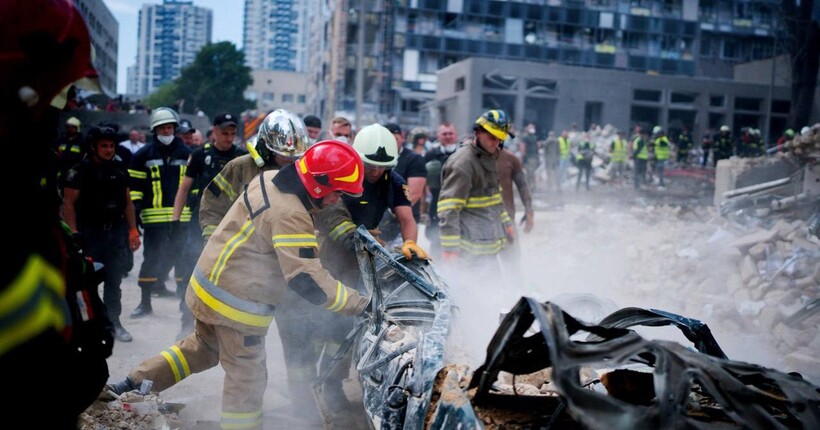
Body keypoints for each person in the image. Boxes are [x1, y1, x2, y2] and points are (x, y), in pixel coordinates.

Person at [106, 141, 370, 430]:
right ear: (319, 185)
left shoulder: (268, 179)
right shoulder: (291, 214)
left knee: (200, 348)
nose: (336, 200)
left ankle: (131, 384)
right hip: (236, 306)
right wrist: (360, 305)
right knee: (248, 380)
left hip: (208, 287)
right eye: (337, 193)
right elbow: (307, 280)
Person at [1, 0, 114, 426]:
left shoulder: (25, 167)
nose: (63, 109)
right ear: (19, 84)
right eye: (57, 91)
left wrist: (86, 307)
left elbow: (48, 243)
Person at [316, 124, 427, 285]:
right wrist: (360, 239)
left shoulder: (394, 181)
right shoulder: (341, 174)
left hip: (369, 249)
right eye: (369, 166)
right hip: (333, 246)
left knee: (362, 293)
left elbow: (407, 219)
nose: (375, 172)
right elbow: (328, 213)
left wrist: (409, 242)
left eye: (381, 167)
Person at [63, 125, 141, 342]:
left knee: (114, 281)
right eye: (104, 146)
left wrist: (133, 230)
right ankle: (87, 325)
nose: (109, 150)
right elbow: (68, 204)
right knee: (87, 283)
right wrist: (74, 233)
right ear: (93, 147)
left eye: (112, 146)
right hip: (89, 234)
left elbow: (127, 203)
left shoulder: (119, 169)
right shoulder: (79, 171)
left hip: (115, 234)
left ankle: (114, 323)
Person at [171, 113, 246, 339]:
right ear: (213, 131)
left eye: (233, 133)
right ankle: (187, 322)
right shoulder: (199, 155)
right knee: (193, 271)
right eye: (224, 133)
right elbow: (184, 189)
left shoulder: (241, 157)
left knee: (228, 276)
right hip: (200, 223)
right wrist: (175, 220)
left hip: (232, 225)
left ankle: (219, 326)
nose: (229, 138)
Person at [199, 109, 307, 239]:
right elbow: (213, 206)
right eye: (281, 153)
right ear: (265, 147)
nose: (289, 159)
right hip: (240, 248)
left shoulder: (301, 172)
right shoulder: (241, 167)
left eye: (294, 155)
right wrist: (213, 240)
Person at [129, 107, 192, 317]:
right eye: (162, 128)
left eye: (170, 127)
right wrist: (135, 214)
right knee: (151, 259)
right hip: (153, 218)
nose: (167, 131)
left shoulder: (188, 154)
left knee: (182, 259)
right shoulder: (142, 155)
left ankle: (185, 305)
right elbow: (135, 188)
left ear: (175, 128)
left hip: (181, 219)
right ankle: (145, 302)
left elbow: (194, 187)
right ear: (155, 130)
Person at [437, 110, 515, 265]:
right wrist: (450, 249)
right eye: (492, 137)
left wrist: (506, 223)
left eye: (500, 139)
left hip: (488, 246)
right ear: (478, 132)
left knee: (493, 288)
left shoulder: (489, 156)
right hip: (469, 253)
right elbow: (449, 208)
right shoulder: (463, 164)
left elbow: (494, 197)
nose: (496, 143)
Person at [379, 122, 427, 246]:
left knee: (398, 257)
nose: (391, 142)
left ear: (402, 137)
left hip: (403, 219)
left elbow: (414, 194)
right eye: (387, 139)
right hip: (378, 220)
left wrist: (391, 212)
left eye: (394, 138)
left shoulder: (414, 159)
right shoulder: (377, 157)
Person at [423, 123, 458, 258]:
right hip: (436, 204)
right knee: (435, 240)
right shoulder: (431, 155)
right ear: (438, 136)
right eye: (444, 134)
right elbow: (423, 181)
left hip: (459, 204)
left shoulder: (463, 154)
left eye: (450, 133)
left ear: (455, 135)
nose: (448, 136)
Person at [496, 147, 534, 232]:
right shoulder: (470, 159)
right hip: (480, 220)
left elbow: (522, 185)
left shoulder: (510, 158)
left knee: (512, 244)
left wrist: (529, 211)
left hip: (507, 216)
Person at [55, 116, 86, 191]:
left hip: (75, 170)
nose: (70, 129)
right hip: (62, 169)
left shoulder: (81, 141)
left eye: (73, 127)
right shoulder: (62, 139)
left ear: (77, 128)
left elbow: (84, 156)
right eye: (68, 127)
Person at [517, 123, 540, 190]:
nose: (532, 129)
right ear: (528, 129)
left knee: (532, 172)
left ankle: (532, 185)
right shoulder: (525, 137)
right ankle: (529, 185)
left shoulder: (535, 137)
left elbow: (537, 146)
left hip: (533, 157)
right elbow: (522, 146)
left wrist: (537, 155)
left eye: (533, 128)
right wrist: (523, 156)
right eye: (531, 128)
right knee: (529, 172)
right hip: (528, 157)